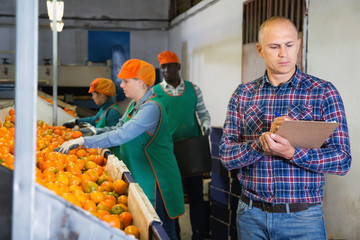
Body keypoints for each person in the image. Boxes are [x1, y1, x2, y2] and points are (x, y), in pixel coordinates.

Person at [219, 16, 351, 240]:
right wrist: (258, 147)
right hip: (251, 215)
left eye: (289, 45)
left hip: (303, 218)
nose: (283, 53)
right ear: (260, 50)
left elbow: (342, 160)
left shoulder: (322, 92)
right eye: (274, 46)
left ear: (298, 45)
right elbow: (226, 155)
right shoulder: (243, 94)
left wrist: (292, 153)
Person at [56, 59, 184, 239]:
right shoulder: (134, 105)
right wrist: (94, 130)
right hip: (143, 172)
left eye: (126, 81)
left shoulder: (152, 108)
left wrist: (84, 141)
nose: (121, 85)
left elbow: (123, 134)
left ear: (140, 82)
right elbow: (117, 127)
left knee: (162, 232)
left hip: (158, 178)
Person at [153, 50, 211, 240]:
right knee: (173, 197)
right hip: (168, 153)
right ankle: (175, 234)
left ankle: (199, 234)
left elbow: (203, 114)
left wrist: (205, 125)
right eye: (163, 67)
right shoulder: (156, 93)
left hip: (192, 151)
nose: (166, 70)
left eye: (170, 65)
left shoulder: (194, 90)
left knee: (196, 196)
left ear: (178, 66)